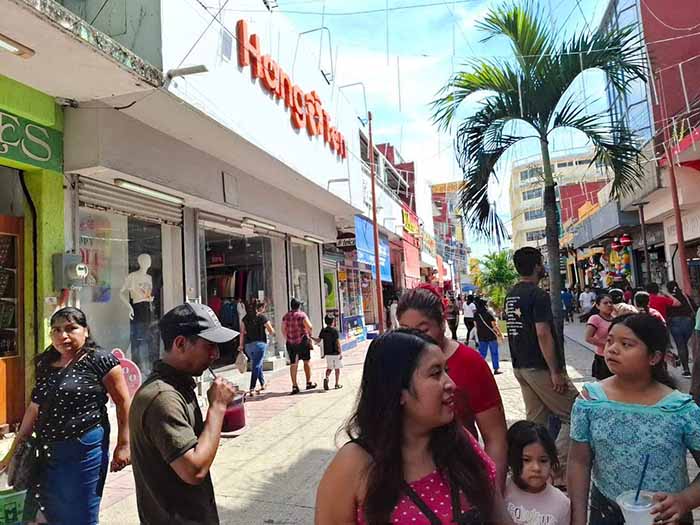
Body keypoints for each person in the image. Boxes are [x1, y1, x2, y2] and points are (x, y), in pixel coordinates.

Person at [315, 330, 513, 524]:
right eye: (435, 373)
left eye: (447, 371)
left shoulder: (461, 443)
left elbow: (499, 515)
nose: (451, 384)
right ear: (397, 391)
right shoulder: (353, 464)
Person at [0, 307, 131, 524]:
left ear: (86, 331)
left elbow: (123, 402)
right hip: (47, 452)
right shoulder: (45, 363)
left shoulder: (100, 360)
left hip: (84, 451)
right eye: (56, 330)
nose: (63, 335)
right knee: (46, 513)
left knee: (82, 513)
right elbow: (34, 408)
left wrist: (124, 444)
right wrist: (13, 452)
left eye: (71, 328)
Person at [568, 314, 700, 525]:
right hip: (606, 513)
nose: (612, 349)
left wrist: (685, 500)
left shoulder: (679, 409)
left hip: (665, 517)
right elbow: (579, 461)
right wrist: (578, 518)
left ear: (654, 357)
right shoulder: (590, 401)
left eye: (626, 344)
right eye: (610, 340)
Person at [129, 303, 239, 525]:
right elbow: (194, 470)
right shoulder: (163, 398)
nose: (216, 354)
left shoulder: (180, 384)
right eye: (209, 346)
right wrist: (217, 407)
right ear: (180, 344)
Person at [397, 285, 508, 489]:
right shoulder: (394, 365)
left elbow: (495, 437)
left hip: (461, 479)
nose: (414, 339)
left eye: (423, 330)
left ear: (442, 323)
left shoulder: (470, 363)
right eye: (405, 330)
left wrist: (495, 493)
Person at [505, 247, 578, 488]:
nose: (544, 265)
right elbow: (543, 333)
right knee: (577, 413)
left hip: (521, 367)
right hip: (539, 367)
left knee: (535, 424)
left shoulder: (511, 294)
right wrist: (555, 372)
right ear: (537, 266)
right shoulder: (538, 295)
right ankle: (556, 470)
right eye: (542, 262)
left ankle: (527, 470)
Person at [504, 421, 570, 525]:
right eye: (526, 460)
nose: (536, 468)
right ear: (511, 459)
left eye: (543, 460)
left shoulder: (562, 503)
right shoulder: (501, 492)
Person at [238, 299, 275, 395]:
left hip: (248, 346)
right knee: (257, 365)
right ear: (259, 307)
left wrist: (241, 345)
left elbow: (242, 333)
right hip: (260, 344)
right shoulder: (262, 317)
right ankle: (252, 387)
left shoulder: (245, 319)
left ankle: (262, 383)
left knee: (257, 363)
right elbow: (271, 330)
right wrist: (271, 333)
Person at [282, 298, 317, 394]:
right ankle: (308, 382)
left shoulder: (286, 316)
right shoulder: (302, 315)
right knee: (306, 361)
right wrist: (309, 334)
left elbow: (283, 329)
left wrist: (287, 338)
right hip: (302, 341)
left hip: (290, 342)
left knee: (293, 363)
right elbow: (309, 326)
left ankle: (294, 386)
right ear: (299, 306)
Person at [667, 280, 696, 378]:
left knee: (681, 346)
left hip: (674, 323)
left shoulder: (668, 298)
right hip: (688, 322)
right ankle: (685, 360)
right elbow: (694, 307)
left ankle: (686, 370)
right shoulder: (684, 296)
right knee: (685, 344)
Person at [584, 294, 614, 380]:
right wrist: (608, 345)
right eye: (605, 303)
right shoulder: (595, 319)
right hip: (602, 358)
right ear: (597, 306)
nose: (609, 305)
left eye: (611, 302)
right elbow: (588, 338)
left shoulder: (616, 318)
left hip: (616, 356)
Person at [474, 297, 504, 374]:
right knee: (494, 353)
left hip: (481, 336)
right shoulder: (489, 313)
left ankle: (479, 368)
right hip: (491, 336)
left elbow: (476, 325)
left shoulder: (476, 314)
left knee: (482, 353)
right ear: (485, 304)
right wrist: (500, 334)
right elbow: (494, 326)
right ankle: (496, 369)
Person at [315, 314, 342, 390]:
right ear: (333, 321)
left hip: (328, 353)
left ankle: (326, 377)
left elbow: (318, 340)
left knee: (329, 368)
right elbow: (337, 342)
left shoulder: (323, 330)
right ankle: (336, 384)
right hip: (335, 352)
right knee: (337, 368)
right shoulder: (335, 330)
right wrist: (340, 352)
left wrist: (310, 337)